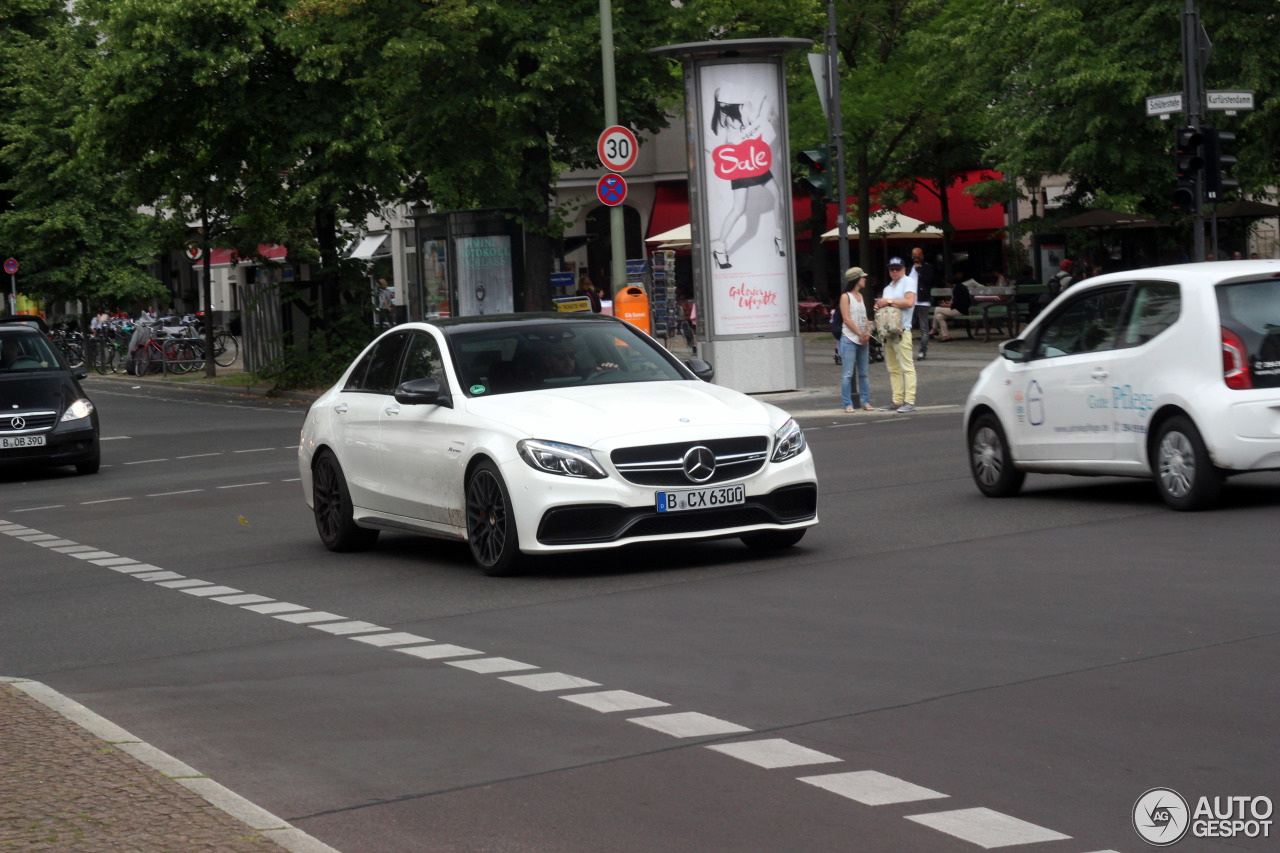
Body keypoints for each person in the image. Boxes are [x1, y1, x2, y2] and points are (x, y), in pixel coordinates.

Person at [706, 85, 785, 269]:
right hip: (742, 165)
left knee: (777, 193)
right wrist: (746, 119)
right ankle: (720, 248)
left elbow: (754, 132)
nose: (726, 100)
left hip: (754, 161)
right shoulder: (725, 117)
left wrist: (756, 116)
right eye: (722, 99)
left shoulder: (735, 110)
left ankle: (779, 234)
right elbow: (737, 141)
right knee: (738, 209)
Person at [873, 257, 917, 413]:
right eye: (892, 269)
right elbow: (887, 305)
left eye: (898, 268)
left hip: (902, 330)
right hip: (889, 332)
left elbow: (909, 302)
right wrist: (879, 306)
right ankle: (897, 400)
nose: (895, 271)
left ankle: (909, 401)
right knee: (893, 368)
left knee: (907, 366)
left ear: (904, 269)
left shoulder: (908, 281)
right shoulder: (887, 288)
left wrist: (888, 301)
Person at [838, 266, 874, 412]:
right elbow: (846, 319)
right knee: (848, 374)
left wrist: (867, 331)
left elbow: (864, 316)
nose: (865, 279)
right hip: (849, 338)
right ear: (856, 279)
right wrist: (859, 333)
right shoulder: (845, 297)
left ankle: (866, 401)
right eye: (862, 277)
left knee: (864, 373)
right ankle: (848, 403)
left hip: (862, 338)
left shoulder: (861, 296)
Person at [909, 247, 935, 360]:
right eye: (914, 256)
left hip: (923, 301)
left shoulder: (927, 267)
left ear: (922, 256)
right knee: (907, 325)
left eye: (918, 256)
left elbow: (929, 281)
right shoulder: (909, 268)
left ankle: (923, 350)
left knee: (924, 327)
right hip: (910, 301)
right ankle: (906, 349)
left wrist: (919, 270)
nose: (915, 258)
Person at [930, 275, 971, 341]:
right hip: (958, 309)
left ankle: (934, 328)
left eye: (947, 284)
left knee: (937, 309)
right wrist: (947, 304)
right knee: (939, 316)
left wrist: (945, 305)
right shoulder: (958, 287)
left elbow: (955, 304)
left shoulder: (958, 288)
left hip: (960, 310)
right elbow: (955, 302)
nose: (947, 286)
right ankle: (946, 336)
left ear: (950, 283)